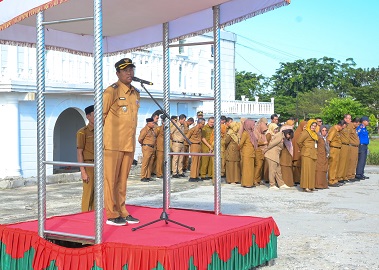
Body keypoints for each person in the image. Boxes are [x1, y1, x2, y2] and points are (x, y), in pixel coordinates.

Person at [103, 58, 140, 226]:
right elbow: (100, 116)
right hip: (112, 143)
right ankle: (112, 213)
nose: (129, 73)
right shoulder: (111, 91)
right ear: (117, 73)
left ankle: (122, 210)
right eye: (125, 70)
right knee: (111, 179)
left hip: (128, 143)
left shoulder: (136, 92)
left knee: (123, 180)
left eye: (131, 69)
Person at [76, 105, 95, 212]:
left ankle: (95, 215)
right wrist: (83, 171)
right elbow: (79, 152)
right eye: (94, 115)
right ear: (88, 116)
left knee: (97, 194)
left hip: (100, 165)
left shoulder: (102, 131)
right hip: (89, 165)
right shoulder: (82, 132)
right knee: (88, 193)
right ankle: (84, 215)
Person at [264, 123, 290, 189]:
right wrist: (265, 150)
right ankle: (272, 185)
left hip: (275, 155)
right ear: (287, 133)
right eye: (289, 135)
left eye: (277, 129)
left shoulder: (281, 135)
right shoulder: (280, 135)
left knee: (278, 170)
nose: (289, 137)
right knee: (272, 170)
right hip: (271, 155)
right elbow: (272, 144)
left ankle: (281, 184)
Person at [297, 119, 318, 192]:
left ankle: (311, 186)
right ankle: (305, 186)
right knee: (306, 170)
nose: (313, 127)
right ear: (309, 125)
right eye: (312, 125)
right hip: (306, 153)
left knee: (312, 170)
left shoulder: (314, 133)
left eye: (315, 126)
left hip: (313, 153)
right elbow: (299, 142)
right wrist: (304, 148)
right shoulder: (306, 132)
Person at [327, 120, 346, 187]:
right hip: (333, 149)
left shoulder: (338, 131)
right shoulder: (333, 130)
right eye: (342, 127)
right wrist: (328, 150)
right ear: (339, 125)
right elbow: (328, 140)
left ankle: (335, 179)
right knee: (333, 165)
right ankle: (331, 180)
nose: (342, 129)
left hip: (337, 149)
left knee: (336, 165)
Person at [138, 118, 157, 182]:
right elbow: (140, 139)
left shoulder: (152, 130)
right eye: (152, 123)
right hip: (147, 147)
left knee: (150, 163)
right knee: (145, 162)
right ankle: (143, 176)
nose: (153, 124)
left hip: (152, 148)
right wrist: (144, 145)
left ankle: (148, 176)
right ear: (148, 123)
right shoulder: (144, 130)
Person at [239, 119, 256, 188]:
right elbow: (241, 143)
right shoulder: (245, 133)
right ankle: (247, 183)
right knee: (247, 169)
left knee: (250, 169)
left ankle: (250, 182)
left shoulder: (251, 133)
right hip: (246, 154)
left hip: (251, 153)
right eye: (253, 125)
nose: (254, 126)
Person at [253, 118, 268, 186]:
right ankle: (255, 180)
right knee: (258, 166)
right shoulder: (255, 131)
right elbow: (255, 141)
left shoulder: (262, 133)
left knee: (260, 166)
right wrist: (263, 143)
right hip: (257, 150)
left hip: (262, 151)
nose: (264, 131)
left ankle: (258, 180)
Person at [171, 114, 186, 178]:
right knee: (175, 158)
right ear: (180, 119)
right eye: (184, 120)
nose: (184, 121)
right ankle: (174, 172)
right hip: (176, 143)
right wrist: (173, 139)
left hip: (182, 143)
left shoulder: (182, 126)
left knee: (181, 159)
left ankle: (180, 171)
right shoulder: (175, 125)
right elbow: (170, 133)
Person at [337, 114, 351, 183]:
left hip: (348, 145)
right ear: (345, 119)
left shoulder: (348, 127)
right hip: (343, 145)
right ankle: (339, 177)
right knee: (342, 162)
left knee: (346, 162)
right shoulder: (341, 126)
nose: (350, 120)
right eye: (349, 119)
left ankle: (344, 176)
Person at [355, 116, 370, 180]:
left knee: (363, 160)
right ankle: (358, 174)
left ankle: (361, 173)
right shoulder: (360, 128)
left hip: (365, 145)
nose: (368, 122)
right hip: (361, 145)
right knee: (361, 160)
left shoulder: (364, 128)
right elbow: (357, 135)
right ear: (363, 121)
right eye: (367, 121)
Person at [292, 120, 307, 185]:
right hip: (297, 152)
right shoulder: (297, 134)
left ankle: (299, 179)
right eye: (304, 127)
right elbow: (296, 144)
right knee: (296, 166)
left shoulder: (303, 133)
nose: (305, 128)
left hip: (301, 152)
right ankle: (296, 180)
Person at [155, 115, 165, 179]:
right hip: (160, 147)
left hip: (164, 147)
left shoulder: (166, 128)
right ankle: (159, 173)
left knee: (163, 161)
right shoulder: (159, 128)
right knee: (159, 161)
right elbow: (155, 136)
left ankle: (161, 172)